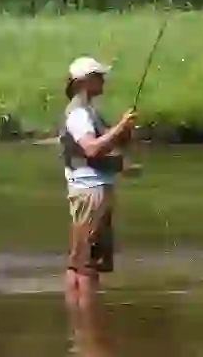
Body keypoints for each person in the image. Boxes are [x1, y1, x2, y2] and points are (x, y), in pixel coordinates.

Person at [60, 56, 137, 309]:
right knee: (89, 266)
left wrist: (122, 132)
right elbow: (92, 149)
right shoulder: (79, 114)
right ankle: (91, 330)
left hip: (86, 192)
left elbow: (105, 146)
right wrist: (120, 127)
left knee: (78, 262)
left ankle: (76, 321)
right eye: (98, 75)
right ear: (84, 82)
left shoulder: (86, 111)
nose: (103, 80)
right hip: (92, 193)